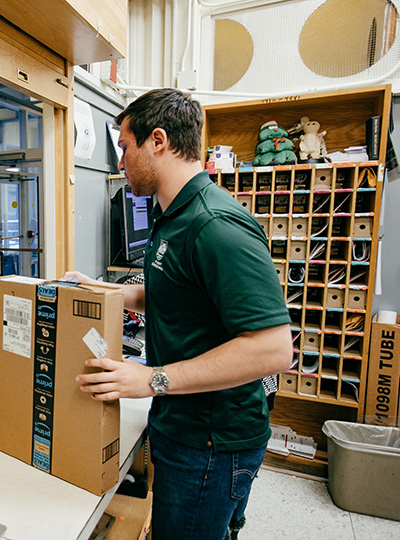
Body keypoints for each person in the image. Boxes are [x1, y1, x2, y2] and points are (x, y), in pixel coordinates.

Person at [65, 89, 292, 540]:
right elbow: (175, 292)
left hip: (211, 442)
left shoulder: (215, 225)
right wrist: (102, 290)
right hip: (182, 428)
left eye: (125, 147)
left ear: (158, 141)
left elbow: (272, 349)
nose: (120, 162)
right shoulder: (173, 216)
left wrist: (150, 379)